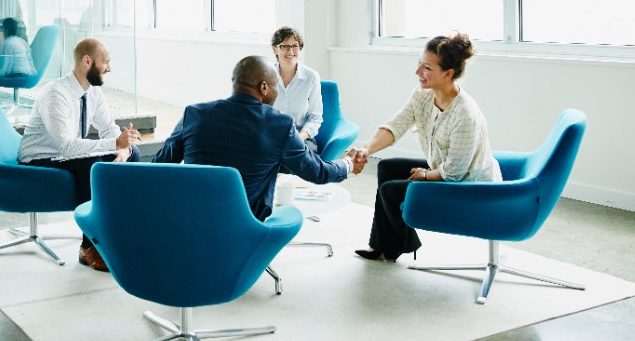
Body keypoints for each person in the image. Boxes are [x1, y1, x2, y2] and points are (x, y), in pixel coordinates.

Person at [348, 33, 501, 262]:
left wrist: (425, 174)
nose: (418, 72)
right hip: (446, 171)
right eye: (419, 63)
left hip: (469, 186)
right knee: (387, 169)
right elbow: (395, 126)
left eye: (427, 67)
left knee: (391, 191)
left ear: (448, 74)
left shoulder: (465, 115)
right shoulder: (422, 95)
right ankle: (382, 245)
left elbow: (455, 172)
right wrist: (366, 150)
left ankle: (403, 243)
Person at [155, 55, 363, 221]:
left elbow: (160, 164)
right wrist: (348, 164)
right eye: (275, 86)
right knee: (290, 213)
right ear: (264, 87)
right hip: (247, 224)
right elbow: (316, 172)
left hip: (192, 218)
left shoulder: (194, 113)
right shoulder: (279, 124)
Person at [18, 38, 141, 271]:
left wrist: (123, 149)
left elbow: (108, 126)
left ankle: (115, 235)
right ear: (87, 61)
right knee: (91, 166)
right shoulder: (57, 94)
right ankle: (89, 247)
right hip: (40, 156)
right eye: (105, 62)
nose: (109, 68)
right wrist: (115, 142)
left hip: (68, 155)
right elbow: (65, 146)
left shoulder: (93, 92)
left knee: (133, 154)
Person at [270, 26, 323, 151]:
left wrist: (298, 138)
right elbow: (258, 111)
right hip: (271, 137)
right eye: (285, 46)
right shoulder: (266, 74)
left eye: (295, 46)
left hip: (301, 138)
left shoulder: (311, 77)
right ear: (275, 49)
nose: (291, 51)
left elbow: (315, 118)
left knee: (291, 155)